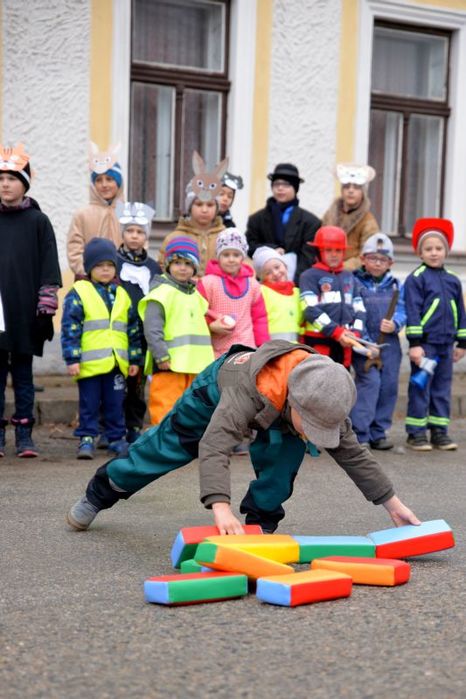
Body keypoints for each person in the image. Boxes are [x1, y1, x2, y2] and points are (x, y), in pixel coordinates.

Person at [66, 340, 421, 535]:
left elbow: (354, 455)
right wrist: (220, 508)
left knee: (284, 459)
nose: (315, 434)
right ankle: (101, 492)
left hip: (278, 405)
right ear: (295, 402)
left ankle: (258, 528)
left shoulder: (323, 395)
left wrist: (392, 503)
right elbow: (214, 446)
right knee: (167, 447)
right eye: (311, 426)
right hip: (217, 392)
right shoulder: (246, 393)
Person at [0, 143, 61, 457]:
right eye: (1, 179)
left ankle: (24, 435)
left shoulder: (38, 221)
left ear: (24, 183)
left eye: (12, 178)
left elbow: (49, 267)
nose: (5, 184)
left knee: (23, 375)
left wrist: (45, 309)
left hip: (25, 313)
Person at [61, 238, 142, 459]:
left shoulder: (122, 294)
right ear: (89, 268)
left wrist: (134, 359)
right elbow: (70, 327)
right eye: (99, 265)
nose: (105, 270)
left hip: (116, 363)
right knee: (89, 403)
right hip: (89, 364)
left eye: (109, 265)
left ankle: (116, 438)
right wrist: (72, 359)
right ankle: (87, 438)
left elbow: (132, 329)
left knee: (115, 403)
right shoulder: (79, 292)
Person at [404, 218, 466, 451]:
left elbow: (460, 312)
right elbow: (412, 311)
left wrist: (462, 343)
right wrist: (415, 343)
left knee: (442, 389)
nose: (433, 253)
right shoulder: (416, 278)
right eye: (428, 249)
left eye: (438, 248)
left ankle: (439, 432)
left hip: (446, 345)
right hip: (426, 345)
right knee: (420, 387)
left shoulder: (453, 280)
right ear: (420, 253)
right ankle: (416, 433)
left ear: (446, 251)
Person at [138, 236, 214, 425]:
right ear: (168, 265)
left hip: (195, 365)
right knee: (165, 409)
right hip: (169, 364)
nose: (183, 268)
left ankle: (185, 440)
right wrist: (161, 356)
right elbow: (152, 329)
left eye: (188, 263)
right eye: (177, 262)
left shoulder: (196, 295)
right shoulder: (160, 294)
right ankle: (162, 439)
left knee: (192, 410)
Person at [350, 233, 406, 450]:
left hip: (390, 345)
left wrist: (396, 323)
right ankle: (360, 433)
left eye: (383, 260)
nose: (377, 263)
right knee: (369, 384)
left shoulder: (396, 286)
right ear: (363, 259)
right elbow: (352, 311)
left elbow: (403, 309)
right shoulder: (354, 282)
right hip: (364, 344)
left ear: (390, 263)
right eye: (372, 258)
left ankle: (378, 432)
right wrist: (364, 341)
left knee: (388, 387)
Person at [115, 201, 161, 443]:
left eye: (140, 232)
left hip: (142, 335)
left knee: (136, 383)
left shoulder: (153, 267)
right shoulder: (112, 263)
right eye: (130, 231)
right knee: (114, 382)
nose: (134, 236)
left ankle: (133, 425)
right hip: (117, 332)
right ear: (122, 233)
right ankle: (110, 426)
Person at [299, 226, 365, 368]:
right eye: (328, 250)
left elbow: (360, 308)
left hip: (345, 342)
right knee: (319, 379)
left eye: (338, 250)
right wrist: (336, 332)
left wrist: (356, 333)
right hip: (318, 342)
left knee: (342, 379)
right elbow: (310, 309)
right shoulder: (309, 276)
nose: (334, 255)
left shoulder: (349, 277)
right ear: (319, 251)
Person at [197, 229, 270, 358]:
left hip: (247, 351)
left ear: (242, 257)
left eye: (236, 255)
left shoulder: (253, 284)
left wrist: (262, 346)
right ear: (218, 256)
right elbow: (198, 313)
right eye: (226, 255)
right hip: (216, 352)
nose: (231, 259)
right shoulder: (207, 283)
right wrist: (211, 326)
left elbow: (259, 318)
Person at [246, 163, 321, 282]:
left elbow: (308, 257)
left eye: (286, 184)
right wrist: (272, 249)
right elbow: (249, 246)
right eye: (276, 184)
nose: (280, 188)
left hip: (297, 284)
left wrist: (295, 284)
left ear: (295, 188)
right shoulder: (256, 219)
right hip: (266, 283)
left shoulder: (311, 222)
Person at [159, 151, 227, 276]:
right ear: (190, 207)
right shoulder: (175, 237)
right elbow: (163, 266)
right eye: (199, 204)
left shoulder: (225, 237)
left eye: (210, 205)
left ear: (217, 208)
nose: (204, 210)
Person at [67, 142, 124, 277]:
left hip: (122, 279)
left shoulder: (128, 213)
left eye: (109, 179)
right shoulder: (82, 215)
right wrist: (87, 271)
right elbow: (74, 249)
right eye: (98, 180)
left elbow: (140, 242)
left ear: (118, 182)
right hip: (89, 280)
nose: (104, 185)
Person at [322, 163, 379, 271]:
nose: (350, 190)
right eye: (346, 186)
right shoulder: (330, 215)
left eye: (356, 187)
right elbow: (320, 244)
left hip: (353, 274)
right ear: (342, 190)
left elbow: (367, 255)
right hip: (325, 269)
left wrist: (341, 268)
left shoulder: (368, 221)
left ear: (363, 192)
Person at [252, 246, 303, 343]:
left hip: (296, 347)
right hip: (272, 349)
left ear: (285, 266)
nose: (275, 273)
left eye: (277, 267)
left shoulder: (297, 292)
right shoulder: (262, 292)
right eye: (268, 273)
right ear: (262, 278)